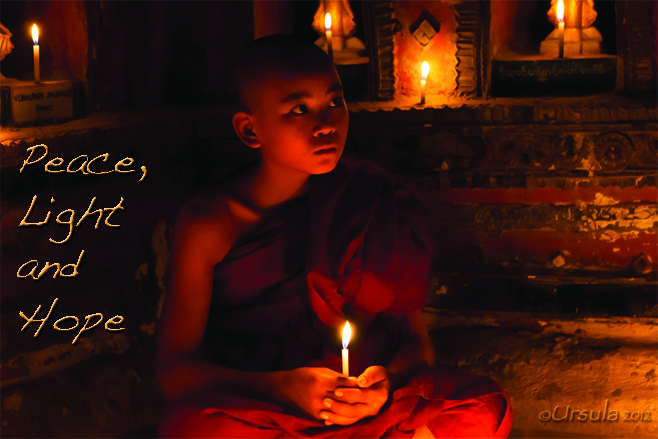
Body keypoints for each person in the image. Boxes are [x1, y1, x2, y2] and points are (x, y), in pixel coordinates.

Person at [157, 34, 512, 438]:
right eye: (298, 109)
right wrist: (282, 386)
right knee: (190, 428)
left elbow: (417, 342)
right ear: (250, 129)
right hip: (272, 407)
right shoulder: (210, 222)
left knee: (482, 407)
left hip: (373, 407)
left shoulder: (371, 197)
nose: (326, 125)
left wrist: (385, 385)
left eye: (335, 102)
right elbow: (175, 372)